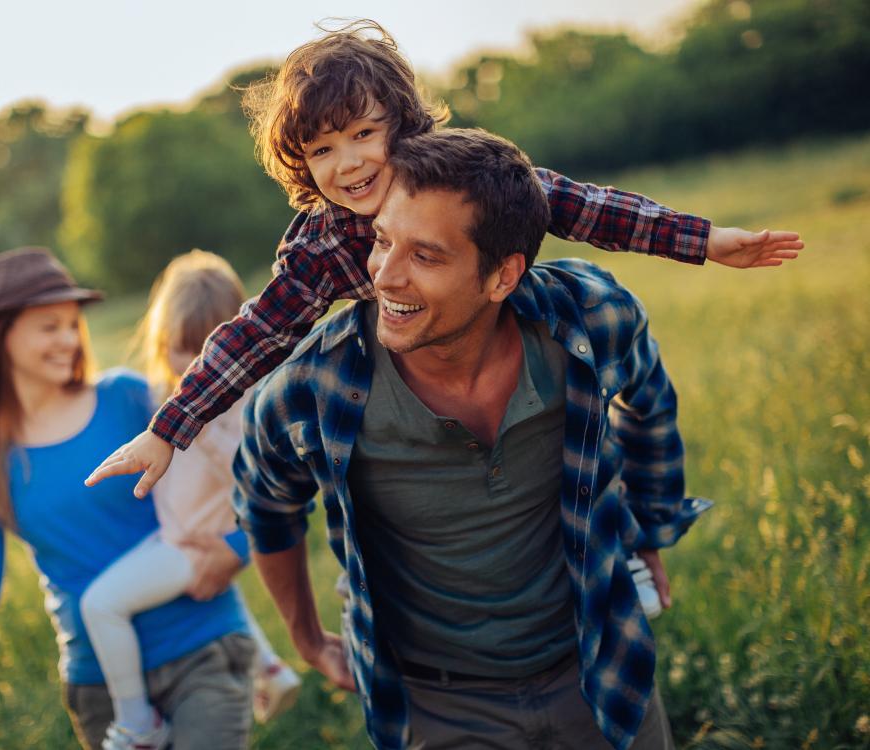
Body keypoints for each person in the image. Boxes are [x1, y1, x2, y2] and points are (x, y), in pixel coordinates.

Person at [84, 19, 802, 499]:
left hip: (504, 328)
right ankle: (375, 561)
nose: (349, 163)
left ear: (399, 122)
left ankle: (616, 531)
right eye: (321, 150)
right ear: (301, 163)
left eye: (363, 133)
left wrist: (704, 241)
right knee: (360, 418)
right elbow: (258, 331)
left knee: (569, 408)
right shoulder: (321, 240)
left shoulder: (459, 173)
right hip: (409, 370)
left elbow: (579, 205)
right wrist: (167, 429)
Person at [232, 128, 713, 750]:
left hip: (600, 666)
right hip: (436, 707)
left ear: (502, 275)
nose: (386, 276)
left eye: (426, 256)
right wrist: (304, 637)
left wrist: (650, 520)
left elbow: (648, 402)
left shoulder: (591, 317)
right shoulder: (312, 385)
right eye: (382, 241)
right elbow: (264, 504)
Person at [0, 247, 254, 750]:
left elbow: (247, 474)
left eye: (73, 324)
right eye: (50, 327)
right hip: (100, 686)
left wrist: (236, 550)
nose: (71, 340)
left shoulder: (128, 397)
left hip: (202, 648)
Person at [79, 249, 300, 744]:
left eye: (210, 349)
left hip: (193, 544)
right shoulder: (164, 391)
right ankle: (270, 668)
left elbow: (261, 478)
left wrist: (207, 430)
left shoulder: (238, 408)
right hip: (180, 534)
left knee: (101, 605)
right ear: (161, 340)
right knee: (223, 592)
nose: (194, 364)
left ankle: (137, 721)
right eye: (182, 347)